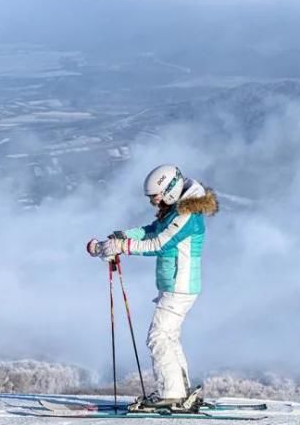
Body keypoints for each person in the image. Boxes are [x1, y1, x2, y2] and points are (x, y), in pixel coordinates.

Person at [87, 164, 219, 411]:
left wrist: (122, 247)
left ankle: (172, 394)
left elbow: (160, 243)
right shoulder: (176, 208)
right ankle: (181, 389)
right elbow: (151, 230)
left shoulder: (186, 215)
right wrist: (119, 238)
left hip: (180, 286)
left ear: (169, 191)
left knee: (157, 337)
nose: (153, 203)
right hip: (175, 284)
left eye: (155, 197)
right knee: (168, 336)